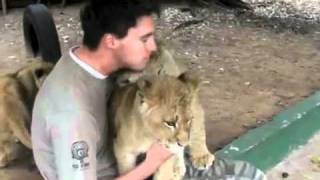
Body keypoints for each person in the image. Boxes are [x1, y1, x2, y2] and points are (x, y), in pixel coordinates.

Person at [31, 0, 267, 180]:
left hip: (142, 150)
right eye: (144, 39)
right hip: (120, 172)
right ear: (111, 41)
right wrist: (151, 164)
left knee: (249, 172)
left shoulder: (86, 59)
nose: (153, 46)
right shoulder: (72, 115)